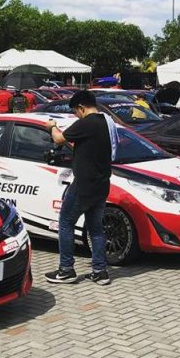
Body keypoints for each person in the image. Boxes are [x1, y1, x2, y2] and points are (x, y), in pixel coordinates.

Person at [45, 90, 114, 286]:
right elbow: (83, 146)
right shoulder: (105, 123)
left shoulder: (87, 123)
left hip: (83, 185)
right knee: (96, 229)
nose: (76, 115)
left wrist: (52, 126)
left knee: (65, 222)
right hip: (101, 184)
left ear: (82, 108)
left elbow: (58, 139)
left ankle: (66, 270)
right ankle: (100, 271)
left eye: (76, 112)